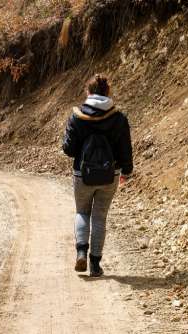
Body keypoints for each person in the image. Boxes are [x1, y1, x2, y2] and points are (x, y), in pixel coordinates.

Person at [62, 74, 133, 277]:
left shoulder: (77, 116)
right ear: (107, 92)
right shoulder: (118, 118)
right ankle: (95, 265)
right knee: (99, 217)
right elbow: (125, 149)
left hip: (82, 175)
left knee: (82, 212)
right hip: (110, 175)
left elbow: (68, 148)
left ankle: (81, 253)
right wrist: (126, 170)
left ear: (88, 92)